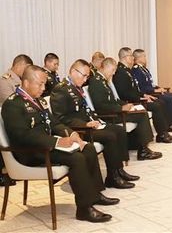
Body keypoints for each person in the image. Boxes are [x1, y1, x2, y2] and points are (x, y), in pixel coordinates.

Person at [1, 65, 119, 223]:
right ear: (26, 82)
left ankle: (94, 194)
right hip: (30, 152)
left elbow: (54, 123)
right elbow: (22, 136)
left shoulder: (39, 100)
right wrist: (57, 141)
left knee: (87, 148)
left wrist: (71, 133)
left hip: (46, 146)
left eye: (44, 84)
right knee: (76, 158)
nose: (44, 88)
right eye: (40, 84)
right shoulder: (12, 104)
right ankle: (84, 209)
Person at [50, 59, 139, 189]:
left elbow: (85, 109)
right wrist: (85, 124)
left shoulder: (75, 87)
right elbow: (62, 118)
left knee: (118, 131)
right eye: (83, 75)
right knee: (110, 136)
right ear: (73, 71)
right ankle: (112, 177)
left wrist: (95, 120)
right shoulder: (61, 90)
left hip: (90, 124)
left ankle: (119, 170)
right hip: (79, 129)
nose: (85, 79)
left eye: (87, 76)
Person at [88, 57, 162, 160]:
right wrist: (121, 108)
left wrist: (127, 105)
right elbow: (100, 105)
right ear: (105, 67)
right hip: (109, 115)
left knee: (140, 111)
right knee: (141, 115)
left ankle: (141, 146)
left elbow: (114, 100)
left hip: (115, 110)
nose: (113, 73)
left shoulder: (102, 80)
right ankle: (143, 150)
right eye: (112, 70)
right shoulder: (96, 82)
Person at [112, 47, 172, 143]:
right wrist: (140, 98)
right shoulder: (120, 72)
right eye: (131, 56)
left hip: (137, 98)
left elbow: (135, 88)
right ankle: (161, 134)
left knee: (160, 102)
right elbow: (124, 93)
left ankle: (164, 132)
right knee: (156, 106)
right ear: (125, 57)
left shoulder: (127, 70)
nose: (133, 58)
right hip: (131, 102)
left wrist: (144, 95)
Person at [131, 49, 172, 128]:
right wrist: (154, 90)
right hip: (149, 93)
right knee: (169, 99)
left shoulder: (143, 69)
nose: (145, 58)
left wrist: (159, 88)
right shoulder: (136, 70)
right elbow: (141, 87)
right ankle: (170, 123)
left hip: (152, 90)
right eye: (144, 56)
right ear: (139, 58)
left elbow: (150, 83)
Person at [0, 54, 33, 187]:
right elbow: (12, 104)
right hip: (7, 122)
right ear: (19, 65)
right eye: (26, 68)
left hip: (21, 119)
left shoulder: (19, 80)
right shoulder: (5, 81)